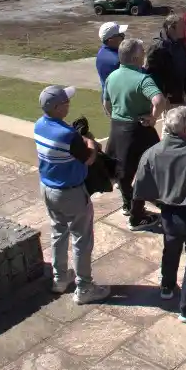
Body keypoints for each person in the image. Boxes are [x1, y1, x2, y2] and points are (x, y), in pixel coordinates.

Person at [132, 105, 186, 323]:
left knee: (171, 250)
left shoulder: (152, 153)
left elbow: (138, 187)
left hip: (169, 215)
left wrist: (162, 201)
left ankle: (167, 287)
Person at [34, 85, 111, 304]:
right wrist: (89, 142)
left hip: (48, 189)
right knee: (82, 239)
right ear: (58, 107)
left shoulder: (39, 125)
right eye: (66, 102)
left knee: (58, 232)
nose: (69, 103)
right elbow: (89, 157)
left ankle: (59, 279)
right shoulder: (68, 135)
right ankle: (84, 288)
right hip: (71, 193)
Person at [105, 38, 167, 231]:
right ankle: (137, 217)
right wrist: (153, 118)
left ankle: (127, 205)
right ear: (135, 57)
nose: (144, 56)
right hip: (138, 131)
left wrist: (116, 115)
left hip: (117, 128)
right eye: (142, 53)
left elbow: (106, 104)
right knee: (144, 173)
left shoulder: (111, 76)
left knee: (123, 172)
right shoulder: (143, 79)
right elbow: (159, 100)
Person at [146, 13, 186, 109]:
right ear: (171, 28)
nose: (185, 29)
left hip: (180, 91)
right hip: (167, 96)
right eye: (182, 27)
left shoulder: (180, 43)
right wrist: (162, 93)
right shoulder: (157, 47)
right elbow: (150, 73)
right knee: (173, 121)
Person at [95, 22, 128, 117]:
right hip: (119, 103)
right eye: (120, 35)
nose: (124, 36)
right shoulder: (118, 60)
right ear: (110, 40)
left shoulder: (102, 52)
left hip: (109, 100)